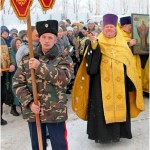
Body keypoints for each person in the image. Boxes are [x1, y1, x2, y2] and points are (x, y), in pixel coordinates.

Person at [72, 14, 144, 144]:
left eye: (111, 27)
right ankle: (103, 136)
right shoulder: (96, 42)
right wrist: (94, 48)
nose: (109, 29)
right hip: (100, 86)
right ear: (102, 29)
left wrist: (130, 82)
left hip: (120, 84)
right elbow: (91, 68)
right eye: (106, 27)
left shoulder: (123, 45)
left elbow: (129, 65)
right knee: (101, 109)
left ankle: (119, 133)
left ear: (115, 29)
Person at [12, 20, 73, 150]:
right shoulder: (27, 59)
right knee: (38, 146)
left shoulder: (63, 59)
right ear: (39, 38)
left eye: (50, 37)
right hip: (35, 112)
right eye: (43, 37)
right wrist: (29, 102)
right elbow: (17, 84)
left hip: (55, 112)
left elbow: (64, 79)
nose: (46, 40)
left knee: (59, 146)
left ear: (56, 39)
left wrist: (40, 67)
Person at [118, 16, 143, 108]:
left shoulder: (132, 34)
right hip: (125, 65)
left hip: (135, 60)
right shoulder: (118, 34)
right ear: (124, 25)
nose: (132, 27)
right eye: (130, 25)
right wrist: (129, 44)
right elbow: (117, 47)